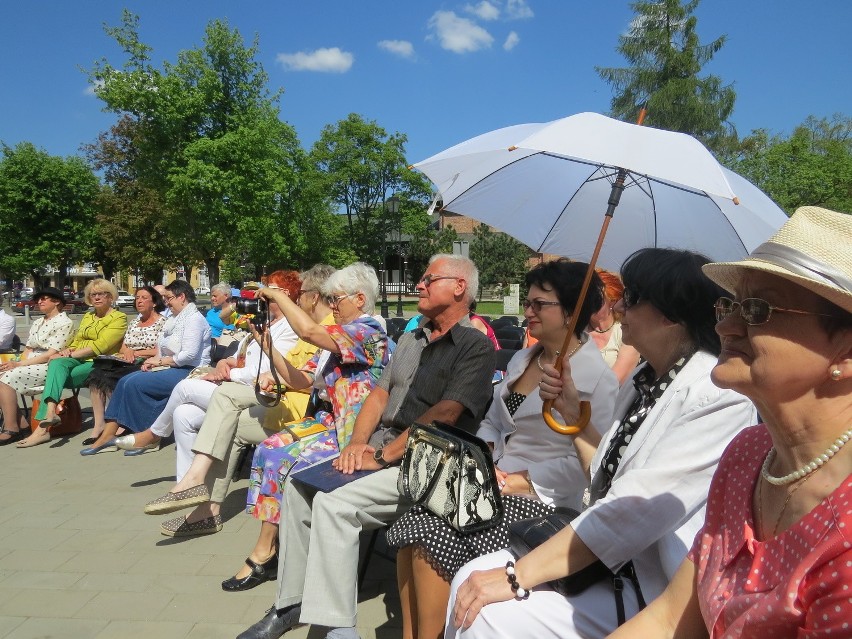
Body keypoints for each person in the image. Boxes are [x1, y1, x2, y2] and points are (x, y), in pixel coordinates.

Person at [447, 248, 757, 639]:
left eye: (632, 298)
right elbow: (505, 423)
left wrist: (515, 563)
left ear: (670, 314)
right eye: (526, 303)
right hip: (579, 533)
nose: (619, 309)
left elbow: (627, 505)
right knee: (464, 571)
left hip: (642, 577)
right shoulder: (533, 362)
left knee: (485, 605)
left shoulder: (708, 394)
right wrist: (566, 418)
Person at [608, 207, 852, 638]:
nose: (726, 325)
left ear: (846, 354)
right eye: (731, 304)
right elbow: (671, 620)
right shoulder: (749, 454)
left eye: (758, 309)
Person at [237, 254, 496, 639]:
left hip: (430, 465)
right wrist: (357, 444)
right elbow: (377, 395)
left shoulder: (475, 346)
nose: (418, 285)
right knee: (298, 486)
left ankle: (338, 628)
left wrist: (382, 455)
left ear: (459, 287)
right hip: (382, 451)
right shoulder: (412, 338)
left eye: (428, 279)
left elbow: (447, 413)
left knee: (334, 506)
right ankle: (291, 603)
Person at [387, 260, 619, 639]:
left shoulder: (597, 381)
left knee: (431, 532)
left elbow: (590, 465)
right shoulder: (523, 359)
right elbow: (494, 421)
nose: (527, 312)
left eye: (539, 304)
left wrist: (522, 480)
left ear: (571, 311)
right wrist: (488, 459)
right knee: (415, 522)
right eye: (527, 302)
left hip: (544, 503)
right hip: (492, 481)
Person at [136, 266, 334, 542]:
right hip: (278, 396)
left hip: (299, 412)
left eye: (301, 295)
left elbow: (309, 381)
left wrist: (270, 371)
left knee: (213, 397)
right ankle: (203, 501)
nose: (298, 300)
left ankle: (194, 487)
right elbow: (301, 375)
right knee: (208, 416)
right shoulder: (289, 324)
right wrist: (258, 363)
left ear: (313, 297)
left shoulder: (322, 331)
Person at [113, 271, 300, 462]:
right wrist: (221, 363)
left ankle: (153, 434)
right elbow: (236, 356)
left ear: (284, 294)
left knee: (184, 386)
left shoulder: (290, 328)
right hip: (233, 384)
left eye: (269, 290)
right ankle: (189, 484)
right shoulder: (265, 321)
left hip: (254, 391)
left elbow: (266, 372)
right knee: (182, 414)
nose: (262, 294)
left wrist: (227, 374)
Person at [80, 280, 210, 454]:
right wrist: (153, 360)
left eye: (169, 298)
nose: (166, 302)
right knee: (125, 380)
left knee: (136, 384)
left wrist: (159, 362)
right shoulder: (174, 319)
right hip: (172, 367)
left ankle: (148, 437)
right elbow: (162, 348)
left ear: (182, 297)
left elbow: (189, 355)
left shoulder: (194, 319)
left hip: (189, 371)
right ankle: (109, 433)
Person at [16, 279, 127, 448]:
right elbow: (76, 340)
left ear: (110, 297)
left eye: (101, 294)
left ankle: (41, 430)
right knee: (56, 362)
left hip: (100, 362)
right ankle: (50, 414)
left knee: (56, 372)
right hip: (77, 359)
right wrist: (67, 351)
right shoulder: (88, 316)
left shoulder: (119, 317)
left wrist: (72, 352)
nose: (97, 297)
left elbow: (100, 346)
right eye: (93, 294)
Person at [83, 285, 166, 444]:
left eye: (144, 298)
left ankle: (120, 422)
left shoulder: (163, 322)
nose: (139, 301)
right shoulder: (135, 322)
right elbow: (124, 345)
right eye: (137, 298)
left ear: (154, 303)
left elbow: (161, 349)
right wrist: (127, 351)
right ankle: (99, 425)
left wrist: (135, 353)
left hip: (146, 361)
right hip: (127, 359)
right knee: (96, 375)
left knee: (115, 378)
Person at [0, 287, 73, 445]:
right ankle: (21, 423)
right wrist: (15, 363)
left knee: (6, 377)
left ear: (57, 302)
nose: (39, 301)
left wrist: (18, 364)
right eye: (39, 299)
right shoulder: (39, 321)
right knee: (4, 372)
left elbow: (50, 354)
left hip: (49, 365)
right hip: (29, 362)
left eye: (44, 299)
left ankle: (12, 428)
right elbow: (28, 348)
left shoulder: (64, 322)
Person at [587, 269, 640, 384]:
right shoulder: (576, 330)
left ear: (613, 302)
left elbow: (615, 382)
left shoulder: (625, 333)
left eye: (595, 299)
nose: (588, 303)